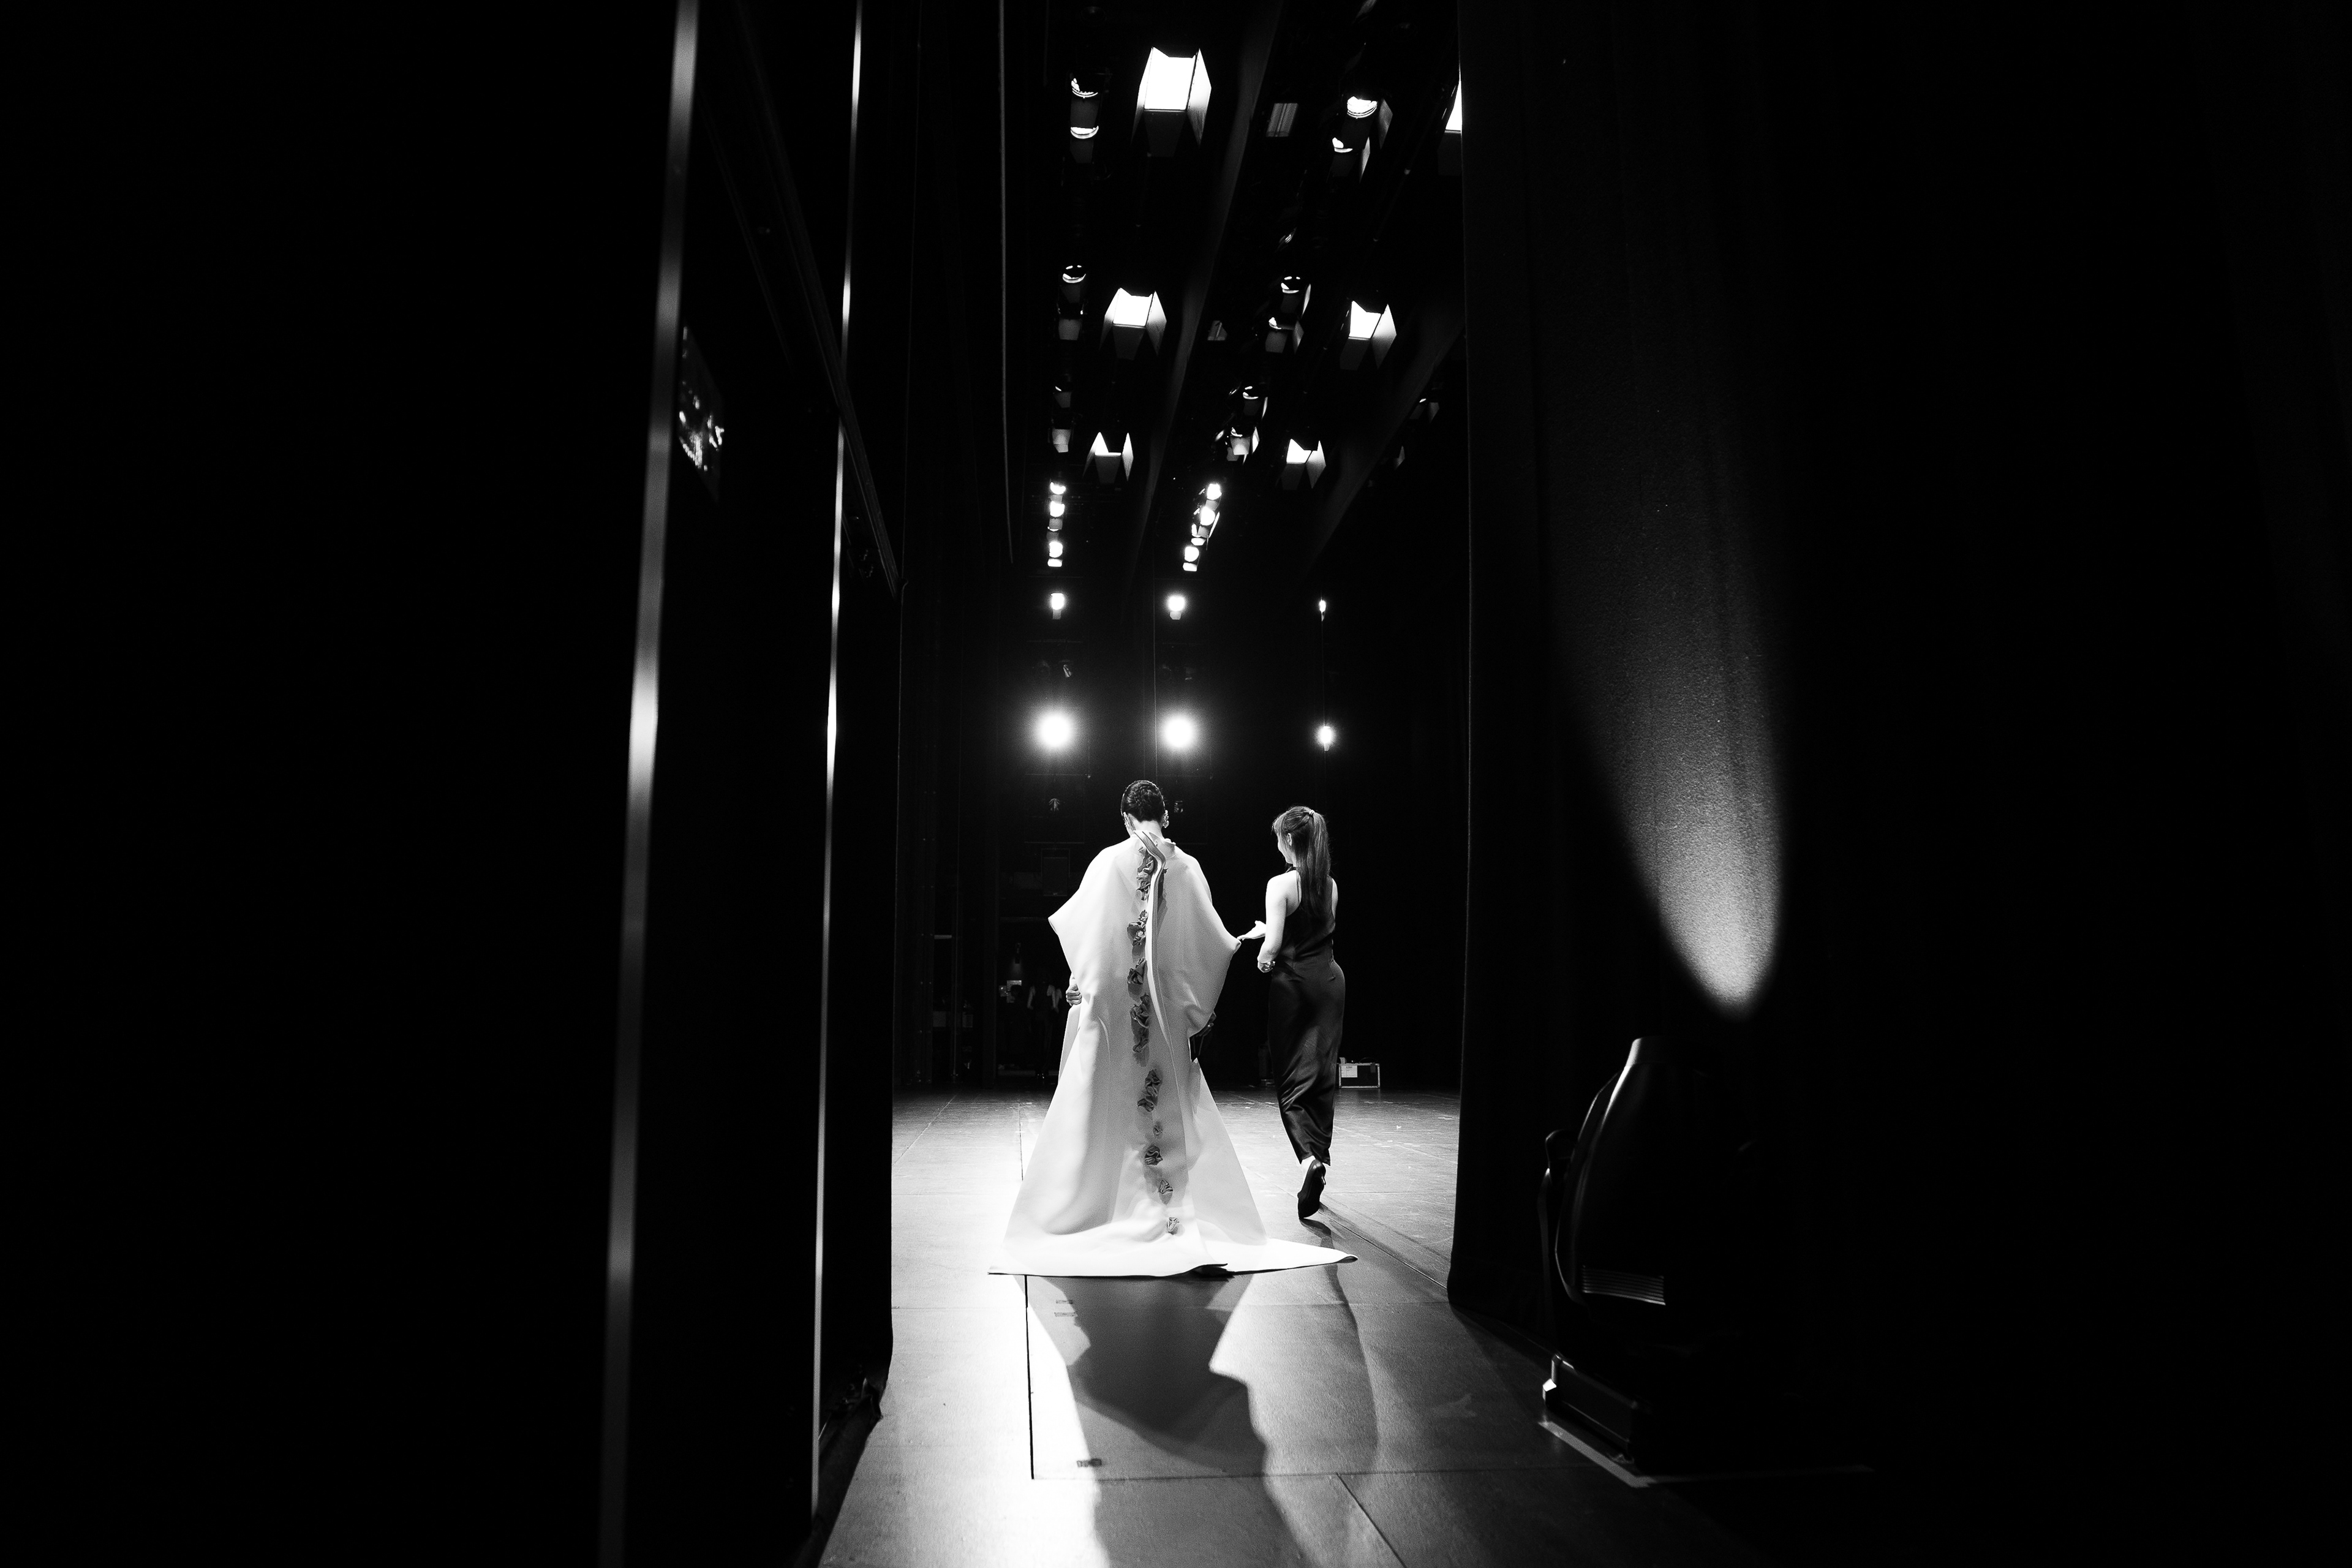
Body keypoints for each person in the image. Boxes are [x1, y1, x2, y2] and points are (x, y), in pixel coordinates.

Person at [993, 780, 1351, 1277]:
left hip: (1115, 1006)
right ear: (1166, 817)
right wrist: (1203, 989)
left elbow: (1086, 934)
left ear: (1125, 818)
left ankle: (1098, 1205)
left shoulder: (1107, 862)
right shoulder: (1187, 867)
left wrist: (1081, 983)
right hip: (1161, 1010)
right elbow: (1207, 943)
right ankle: (1170, 1201)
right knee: (1168, 1095)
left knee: (1102, 1100)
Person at [1259, 805, 1344, 1219]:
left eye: (1279, 838)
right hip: (1329, 984)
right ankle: (1320, 1160)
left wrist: (1262, 954)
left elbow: (1274, 948)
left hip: (1294, 988)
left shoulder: (1280, 884)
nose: (1277, 845)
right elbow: (1312, 931)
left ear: (1290, 840)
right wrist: (1273, 933)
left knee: (1292, 1080)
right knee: (1322, 1076)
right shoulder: (1329, 885)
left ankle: (1309, 1160)